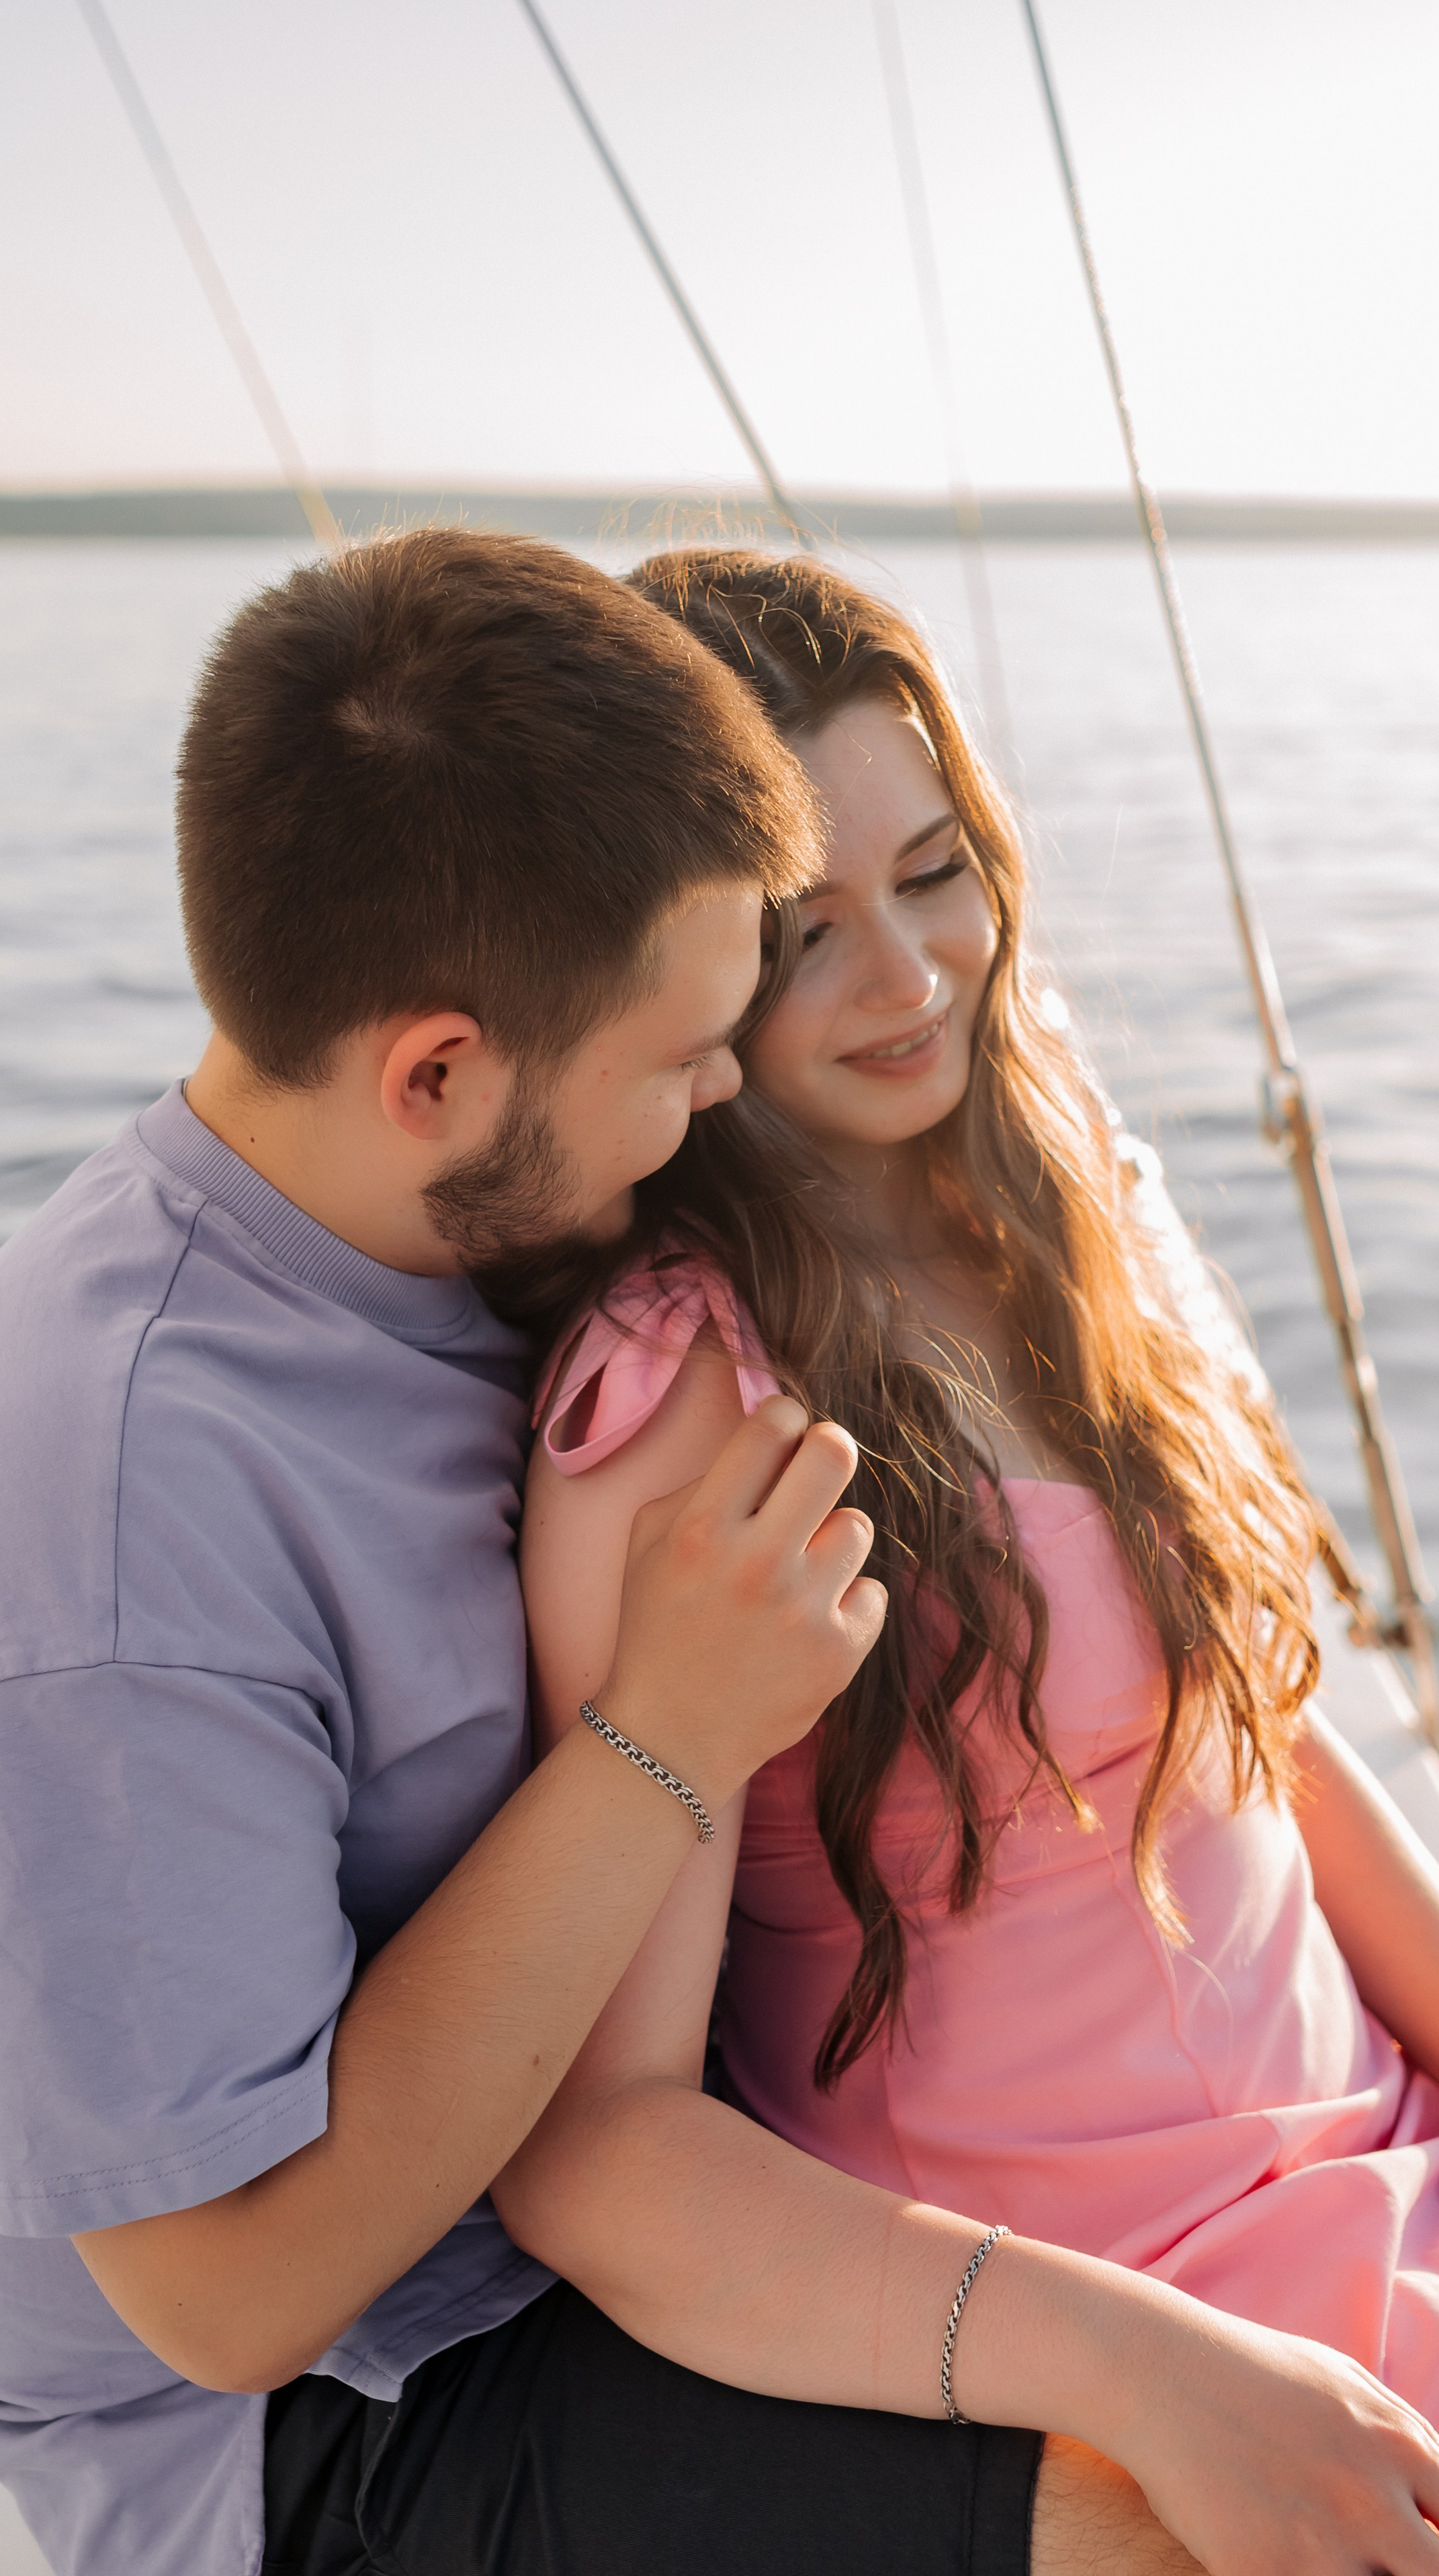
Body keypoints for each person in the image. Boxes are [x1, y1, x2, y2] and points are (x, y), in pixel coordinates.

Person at [497, 548, 1439, 2576]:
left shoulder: (1073, 1211)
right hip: (1140, 2283)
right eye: (804, 934)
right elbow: (605, 2141)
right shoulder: (691, 1410)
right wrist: (1139, 2379)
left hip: (1393, 2131)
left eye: (936, 873)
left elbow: (1259, 1743)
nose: (908, 978)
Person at [0, 526, 1164, 2576]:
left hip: (581, 2181)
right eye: (680, 1055)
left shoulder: (456, 1216)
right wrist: (664, 1735)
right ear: (440, 1072)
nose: (726, 1089)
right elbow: (230, 2293)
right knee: (1144, 2528)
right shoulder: (118, 1511)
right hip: (335, 2397)